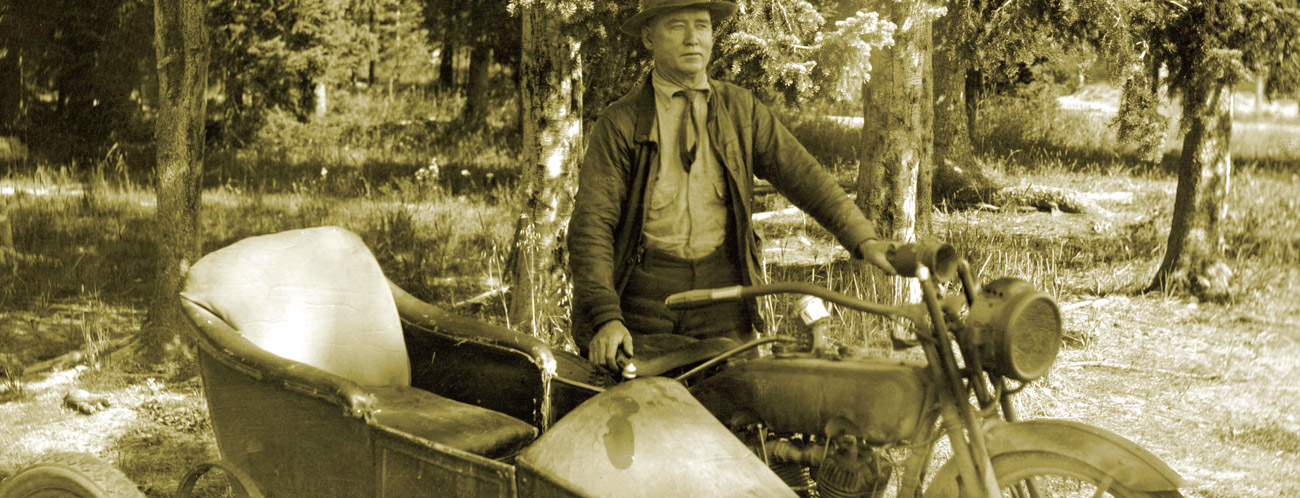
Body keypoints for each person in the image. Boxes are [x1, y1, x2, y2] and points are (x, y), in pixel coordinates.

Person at [569, 0, 896, 372]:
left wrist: (865, 240)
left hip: (725, 298)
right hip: (644, 303)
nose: (693, 39)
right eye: (677, 26)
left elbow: (806, 177)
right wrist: (607, 318)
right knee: (647, 416)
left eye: (702, 26)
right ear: (648, 36)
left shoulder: (741, 110)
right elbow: (591, 225)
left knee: (739, 412)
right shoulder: (621, 122)